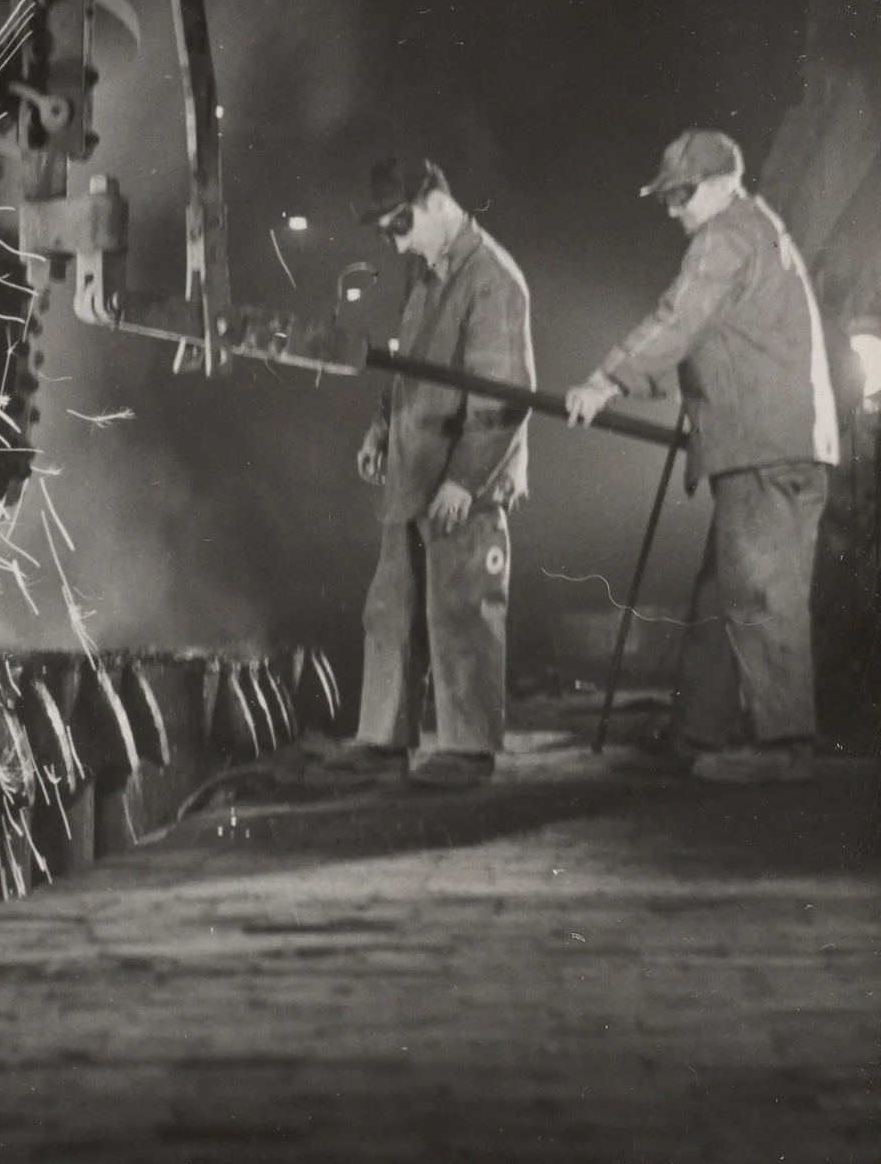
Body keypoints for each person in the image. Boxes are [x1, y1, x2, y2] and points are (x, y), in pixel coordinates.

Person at [567, 129, 838, 784]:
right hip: (771, 445)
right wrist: (649, 383)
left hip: (762, 450)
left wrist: (609, 377)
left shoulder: (726, 234)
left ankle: (783, 748)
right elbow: (710, 337)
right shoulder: (755, 230)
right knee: (723, 593)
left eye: (681, 194)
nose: (673, 209)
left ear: (720, 184)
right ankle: (698, 732)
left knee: (761, 596)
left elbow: (681, 317)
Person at [327, 157, 536, 788]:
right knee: (389, 609)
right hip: (414, 472)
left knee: (462, 609)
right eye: (385, 231)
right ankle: (383, 741)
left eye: (401, 223)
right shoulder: (425, 274)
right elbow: (407, 369)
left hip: (460, 485)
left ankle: (468, 751)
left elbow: (503, 398)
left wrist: (466, 479)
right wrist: (379, 432)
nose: (395, 242)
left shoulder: (492, 280)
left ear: (438, 201)